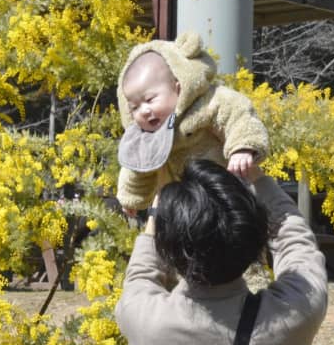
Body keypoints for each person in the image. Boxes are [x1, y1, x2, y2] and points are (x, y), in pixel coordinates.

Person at [116, 159, 327, 345]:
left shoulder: (143, 320)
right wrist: (256, 177)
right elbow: (297, 244)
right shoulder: (294, 315)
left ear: (168, 247)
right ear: (256, 237)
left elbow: (141, 272)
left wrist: (155, 218)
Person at [116, 32, 270, 216]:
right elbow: (136, 167)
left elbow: (238, 114)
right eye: (134, 108)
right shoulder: (145, 135)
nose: (144, 111)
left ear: (177, 87)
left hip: (228, 192)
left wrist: (242, 148)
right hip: (186, 208)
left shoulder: (206, 103)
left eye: (150, 99)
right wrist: (130, 198)